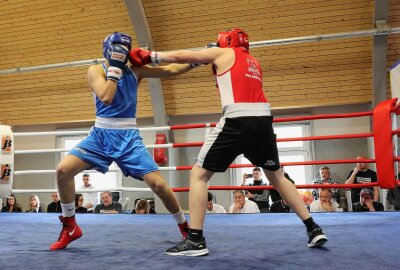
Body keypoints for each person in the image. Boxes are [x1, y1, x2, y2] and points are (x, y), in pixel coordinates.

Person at [129, 28, 328, 255]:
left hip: (237, 118)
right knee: (277, 176)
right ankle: (313, 227)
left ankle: (195, 239)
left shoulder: (224, 54)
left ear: (225, 41)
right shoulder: (253, 61)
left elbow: (184, 56)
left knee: (198, 175)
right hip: (263, 120)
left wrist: (151, 56)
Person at [50, 32, 194, 250]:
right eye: (117, 48)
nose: (121, 53)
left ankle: (185, 227)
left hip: (128, 137)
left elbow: (170, 70)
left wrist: (198, 60)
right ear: (107, 49)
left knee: (159, 184)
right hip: (100, 135)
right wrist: (115, 68)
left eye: (124, 49)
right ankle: (70, 225)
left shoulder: (135, 70)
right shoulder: (96, 70)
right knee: (63, 170)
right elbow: (106, 96)